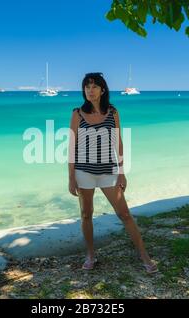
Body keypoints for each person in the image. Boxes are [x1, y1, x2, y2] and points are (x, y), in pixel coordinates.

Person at [68, 72, 158, 273]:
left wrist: (122, 172)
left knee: (125, 214)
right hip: (84, 173)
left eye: (94, 86)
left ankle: (144, 256)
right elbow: (72, 146)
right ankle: (90, 255)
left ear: (102, 90)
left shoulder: (113, 112)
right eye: (87, 87)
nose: (90, 90)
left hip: (109, 171)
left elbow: (118, 142)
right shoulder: (77, 114)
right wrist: (71, 177)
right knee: (86, 214)